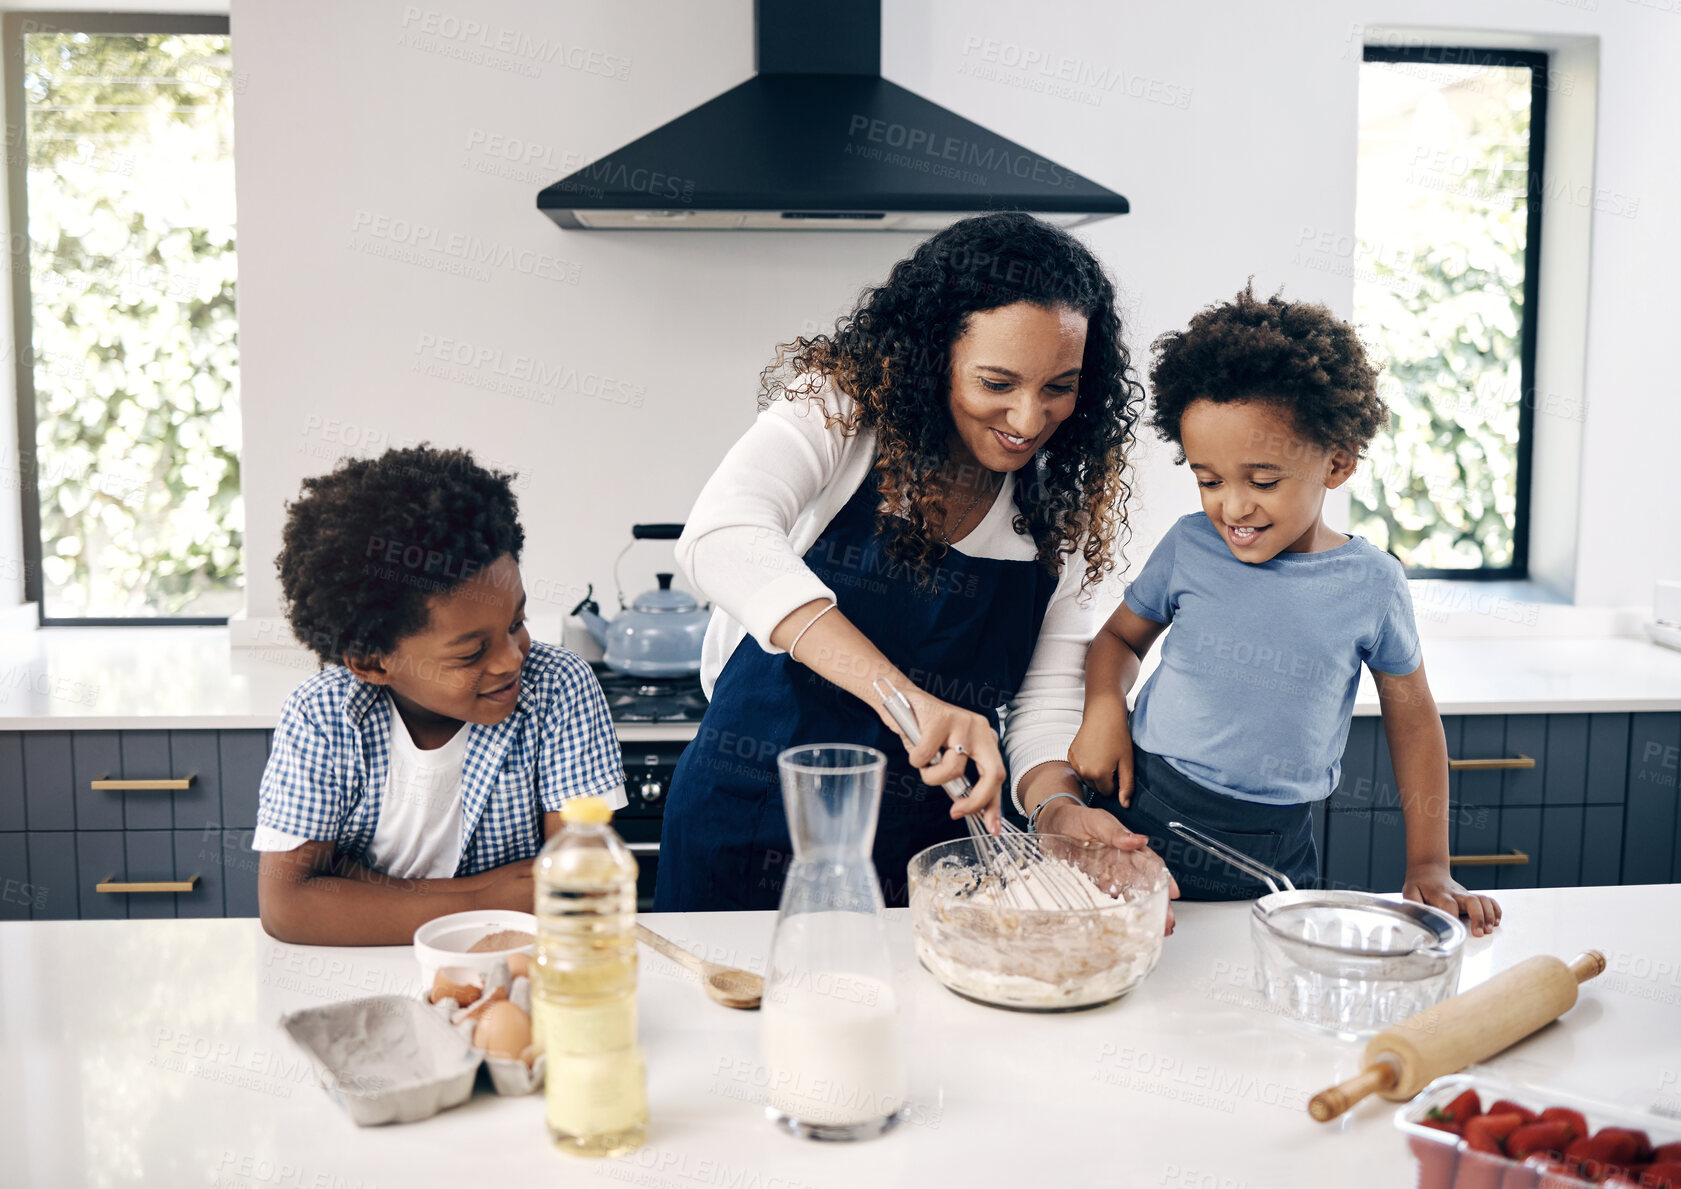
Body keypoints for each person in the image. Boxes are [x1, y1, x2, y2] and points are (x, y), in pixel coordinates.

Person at [654, 211, 1176, 916]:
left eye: (1058, 385)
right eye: (997, 382)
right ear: (936, 358)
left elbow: (1045, 700)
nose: (1028, 419)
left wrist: (1055, 810)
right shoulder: (841, 411)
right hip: (751, 813)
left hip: (926, 849)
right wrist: (906, 700)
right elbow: (721, 535)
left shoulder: (1060, 504)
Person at [1069, 283, 1502, 935]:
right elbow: (1117, 641)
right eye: (1207, 478)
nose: (1232, 506)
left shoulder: (1371, 583)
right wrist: (1104, 707)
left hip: (1276, 843)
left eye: (1262, 480)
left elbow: (1411, 721)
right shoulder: (1189, 545)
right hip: (1145, 809)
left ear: (1337, 462)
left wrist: (1430, 863)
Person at [254, 446, 625, 945]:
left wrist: (367, 890)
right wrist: (478, 900)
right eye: (472, 653)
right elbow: (288, 907)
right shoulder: (322, 716)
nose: (513, 658)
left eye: (517, 623)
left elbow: (577, 886)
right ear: (372, 662)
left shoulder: (558, 687)